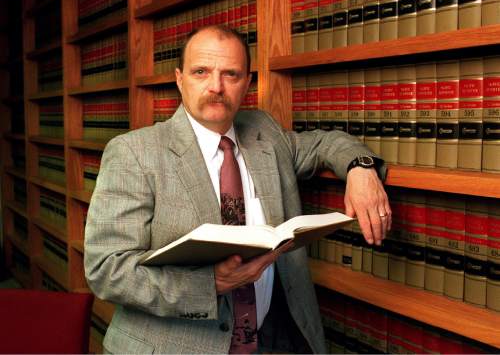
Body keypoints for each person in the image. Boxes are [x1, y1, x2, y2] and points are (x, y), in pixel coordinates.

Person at [84, 25, 392, 354]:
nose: (216, 87)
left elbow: (326, 142)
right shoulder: (135, 153)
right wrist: (209, 285)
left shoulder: (265, 132)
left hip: (273, 340)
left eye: (230, 74)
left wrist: (361, 168)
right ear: (179, 78)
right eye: (201, 72)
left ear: (247, 82)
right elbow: (106, 269)